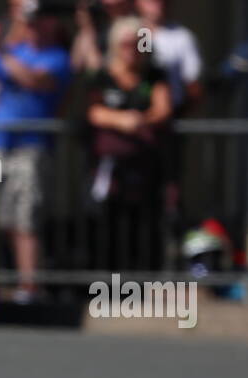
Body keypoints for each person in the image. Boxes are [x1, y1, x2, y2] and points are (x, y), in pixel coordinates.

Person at [0, 0, 70, 304]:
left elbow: (33, 80)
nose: (32, 26)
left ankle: (30, 286)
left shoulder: (58, 57)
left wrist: (0, 50)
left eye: (38, 20)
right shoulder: (13, 51)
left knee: (25, 215)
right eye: (28, 20)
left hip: (31, 147)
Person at [86, 14, 171, 270]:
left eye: (136, 43)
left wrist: (140, 120)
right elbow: (93, 111)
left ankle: (143, 284)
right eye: (124, 44)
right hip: (109, 166)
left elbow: (163, 109)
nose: (130, 50)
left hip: (144, 164)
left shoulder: (153, 74)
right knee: (107, 222)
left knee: (144, 223)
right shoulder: (102, 75)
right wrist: (121, 120)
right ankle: (106, 284)